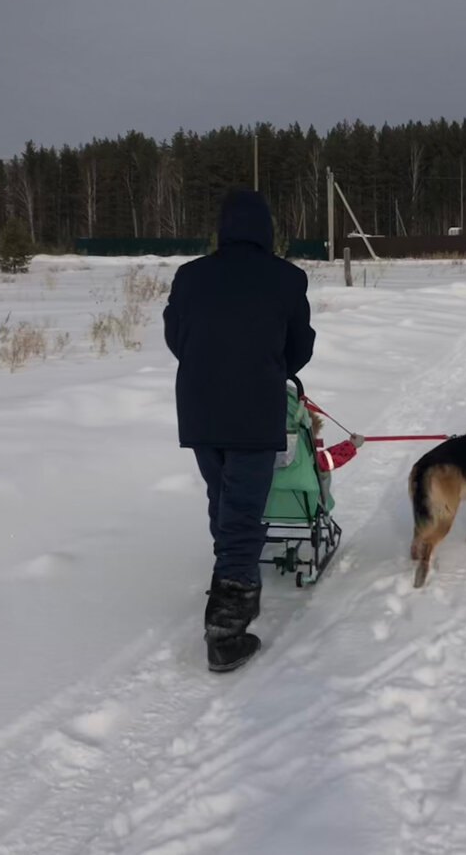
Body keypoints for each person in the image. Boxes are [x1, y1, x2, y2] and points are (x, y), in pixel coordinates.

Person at [163, 189, 315, 672]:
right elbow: (300, 346)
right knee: (244, 510)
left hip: (201, 408)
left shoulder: (190, 276)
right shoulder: (287, 278)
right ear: (266, 230)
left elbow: (176, 336)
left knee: (224, 500)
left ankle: (232, 574)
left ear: (223, 228)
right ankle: (226, 629)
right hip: (254, 406)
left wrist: (211, 365)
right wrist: (268, 369)